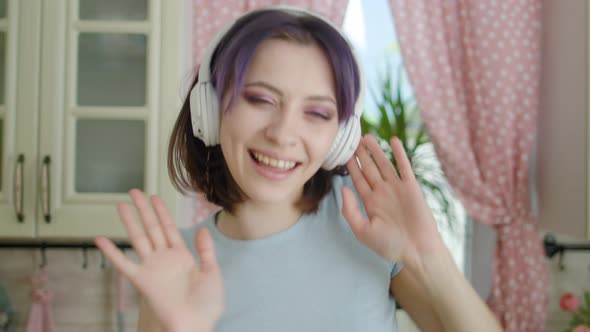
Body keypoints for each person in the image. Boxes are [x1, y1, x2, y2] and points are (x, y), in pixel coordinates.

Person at [95, 6, 504, 332]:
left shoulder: (366, 226)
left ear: (340, 136)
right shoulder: (175, 262)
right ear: (210, 110)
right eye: (260, 99)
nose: (283, 134)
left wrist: (429, 256)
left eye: (317, 112)